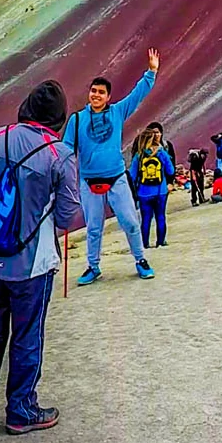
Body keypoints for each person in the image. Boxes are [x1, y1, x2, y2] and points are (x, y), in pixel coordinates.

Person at [0, 81, 81, 435]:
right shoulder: (60, 154)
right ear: (58, 117)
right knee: (27, 334)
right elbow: (69, 213)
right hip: (33, 263)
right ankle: (21, 410)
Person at [64, 49, 160, 284]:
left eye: (101, 92)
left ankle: (140, 259)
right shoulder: (76, 120)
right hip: (88, 181)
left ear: (108, 97)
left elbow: (137, 95)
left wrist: (152, 71)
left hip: (116, 178)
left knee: (129, 221)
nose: (96, 95)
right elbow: (66, 150)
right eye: (93, 91)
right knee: (94, 228)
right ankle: (93, 266)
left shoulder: (117, 112)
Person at [130, 128, 175, 247]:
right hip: (161, 191)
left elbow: (132, 176)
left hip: (144, 192)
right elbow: (171, 171)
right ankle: (161, 242)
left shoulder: (138, 156)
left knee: (146, 219)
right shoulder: (162, 153)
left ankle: (145, 244)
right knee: (160, 216)